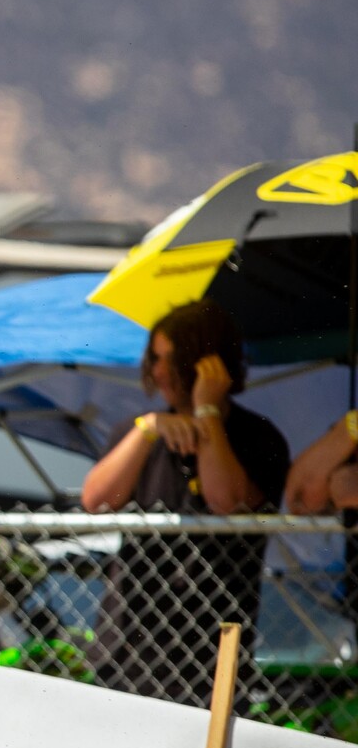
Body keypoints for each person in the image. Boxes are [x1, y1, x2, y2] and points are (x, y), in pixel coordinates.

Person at [80, 301, 289, 704]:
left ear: (208, 363)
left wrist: (206, 411)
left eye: (172, 360)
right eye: (154, 359)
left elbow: (226, 500)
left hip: (209, 655)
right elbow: (96, 500)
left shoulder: (257, 437)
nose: (159, 372)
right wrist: (147, 430)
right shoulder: (137, 431)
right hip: (124, 649)